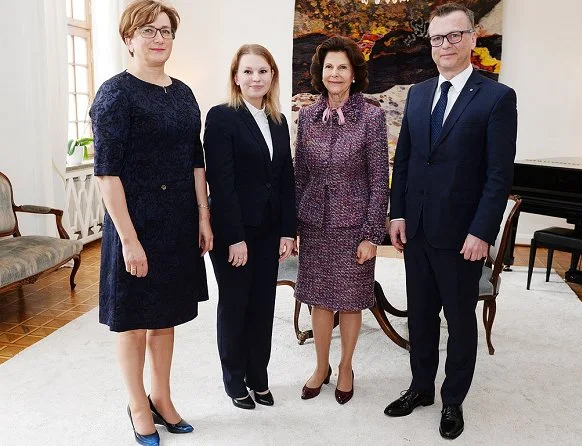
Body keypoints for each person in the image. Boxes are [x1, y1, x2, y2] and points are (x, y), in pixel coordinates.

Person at [383, 2, 517, 439]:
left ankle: (453, 399)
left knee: (460, 323)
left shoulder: (497, 98)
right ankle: (421, 387)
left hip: (463, 237)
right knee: (420, 318)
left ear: (473, 36)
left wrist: (482, 231)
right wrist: (397, 212)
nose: (444, 45)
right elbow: (403, 161)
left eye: (454, 35)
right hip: (417, 230)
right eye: (437, 37)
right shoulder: (419, 94)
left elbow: (499, 176)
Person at [90, 1, 213, 444]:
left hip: (178, 221)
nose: (159, 38)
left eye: (165, 30)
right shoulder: (115, 93)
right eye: (147, 30)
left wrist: (204, 216)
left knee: (166, 316)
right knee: (134, 320)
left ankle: (162, 397)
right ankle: (137, 402)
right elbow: (107, 171)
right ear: (128, 39)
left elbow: (195, 160)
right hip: (135, 222)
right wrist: (128, 239)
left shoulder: (183, 93)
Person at [294, 36, 389, 405]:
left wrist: (371, 234)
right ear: (321, 72)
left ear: (354, 74)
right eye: (329, 66)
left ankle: (346, 366)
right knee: (319, 300)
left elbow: (379, 179)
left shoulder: (372, 116)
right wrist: (295, 226)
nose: (335, 73)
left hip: (354, 226)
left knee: (350, 301)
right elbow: (299, 173)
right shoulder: (307, 116)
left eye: (343, 67)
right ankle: (321, 367)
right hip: (315, 222)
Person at [203, 44, 296, 410]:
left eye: (263, 71)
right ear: (236, 77)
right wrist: (236, 237)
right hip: (234, 232)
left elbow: (285, 177)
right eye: (248, 71)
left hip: (270, 230)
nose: (256, 78)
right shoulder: (222, 117)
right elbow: (221, 183)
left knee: (263, 305)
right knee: (236, 305)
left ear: (272, 76)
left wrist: (288, 230)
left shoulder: (279, 120)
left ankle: (259, 377)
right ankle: (234, 382)